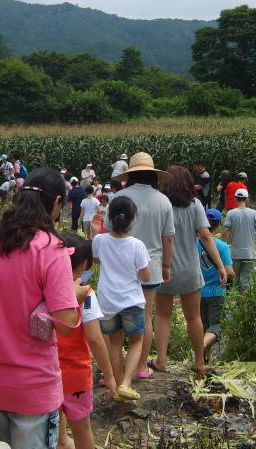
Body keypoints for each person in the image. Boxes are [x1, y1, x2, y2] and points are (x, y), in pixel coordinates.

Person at [0, 168, 86, 449]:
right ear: (57, 202)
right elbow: (67, 323)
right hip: (32, 384)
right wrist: (75, 295)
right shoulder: (51, 248)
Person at [152, 166, 229, 377]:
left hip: (165, 269)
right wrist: (220, 265)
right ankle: (199, 363)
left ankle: (161, 360)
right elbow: (205, 235)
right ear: (188, 183)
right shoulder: (195, 205)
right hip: (190, 270)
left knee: (162, 315)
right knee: (194, 317)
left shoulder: (160, 203)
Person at [111, 152, 174, 380]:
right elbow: (168, 238)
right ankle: (139, 367)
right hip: (152, 267)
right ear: (154, 176)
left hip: (120, 267)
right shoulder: (163, 200)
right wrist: (167, 265)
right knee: (145, 316)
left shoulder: (120, 196)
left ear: (131, 175)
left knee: (116, 317)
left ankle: (115, 371)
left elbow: (111, 232)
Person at [55, 234, 117, 449]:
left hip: (47, 373)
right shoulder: (86, 295)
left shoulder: (43, 288)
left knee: (49, 422)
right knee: (82, 430)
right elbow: (94, 337)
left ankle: (60, 443)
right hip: (77, 375)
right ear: (83, 266)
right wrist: (109, 375)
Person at [94, 196, 151, 401]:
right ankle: (126, 383)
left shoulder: (99, 240)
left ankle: (117, 386)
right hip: (131, 300)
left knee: (114, 342)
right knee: (136, 340)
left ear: (110, 217)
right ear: (133, 218)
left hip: (107, 301)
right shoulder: (137, 245)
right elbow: (145, 277)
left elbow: (96, 259)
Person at [197, 209, 233, 362]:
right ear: (218, 225)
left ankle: (205, 360)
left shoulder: (194, 244)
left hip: (196, 292)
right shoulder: (223, 247)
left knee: (202, 327)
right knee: (216, 327)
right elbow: (229, 272)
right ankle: (200, 348)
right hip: (216, 292)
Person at [222, 188, 256, 293]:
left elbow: (225, 232)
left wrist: (222, 249)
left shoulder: (231, 213)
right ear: (247, 199)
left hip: (235, 253)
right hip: (250, 253)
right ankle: (244, 305)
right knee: (246, 282)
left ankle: (237, 304)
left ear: (235, 198)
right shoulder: (254, 213)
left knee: (235, 280)